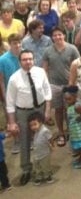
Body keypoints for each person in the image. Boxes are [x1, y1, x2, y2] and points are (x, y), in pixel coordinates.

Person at [6, 50, 52, 186]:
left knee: (42, 138)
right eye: (25, 59)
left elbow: (47, 90)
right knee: (25, 140)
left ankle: (45, 166)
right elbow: (10, 102)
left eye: (30, 59)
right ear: (20, 62)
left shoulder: (40, 72)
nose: (28, 62)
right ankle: (26, 169)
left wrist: (48, 110)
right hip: (23, 112)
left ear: (34, 59)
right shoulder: (14, 78)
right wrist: (12, 122)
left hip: (40, 109)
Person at [42, 27, 80, 147]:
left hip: (70, 84)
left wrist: (73, 82)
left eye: (60, 35)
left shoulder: (72, 48)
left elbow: (78, 66)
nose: (57, 37)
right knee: (58, 110)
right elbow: (45, 69)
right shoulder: (47, 51)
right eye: (55, 35)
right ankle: (61, 132)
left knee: (70, 109)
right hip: (54, 85)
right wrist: (46, 83)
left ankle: (72, 131)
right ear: (52, 37)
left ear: (64, 35)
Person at [63, 85, 81, 168]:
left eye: (69, 99)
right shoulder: (69, 107)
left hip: (80, 130)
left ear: (75, 97)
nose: (67, 101)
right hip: (74, 130)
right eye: (66, 99)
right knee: (78, 146)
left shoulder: (77, 107)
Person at [28, 112, 54, 186]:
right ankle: (38, 176)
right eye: (31, 125)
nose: (33, 127)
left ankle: (48, 176)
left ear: (41, 122)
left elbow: (50, 138)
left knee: (45, 165)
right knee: (36, 166)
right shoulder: (36, 131)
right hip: (37, 153)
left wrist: (52, 145)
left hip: (45, 153)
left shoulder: (45, 130)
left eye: (35, 124)